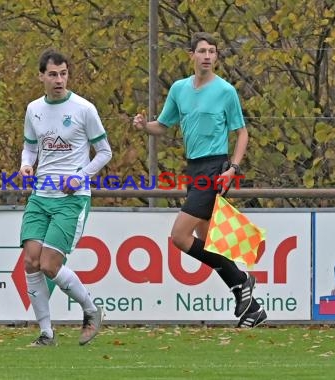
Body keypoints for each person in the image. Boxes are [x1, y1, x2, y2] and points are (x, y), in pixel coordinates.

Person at [132, 32, 267, 328]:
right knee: (208, 242)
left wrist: (233, 168)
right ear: (191, 55)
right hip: (193, 169)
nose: (207, 56)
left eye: (212, 52)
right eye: (202, 51)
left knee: (179, 237)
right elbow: (163, 126)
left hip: (214, 170)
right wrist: (144, 126)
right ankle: (250, 305)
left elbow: (242, 132)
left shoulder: (225, 91)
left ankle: (241, 280)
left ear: (216, 57)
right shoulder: (179, 89)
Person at [20, 48, 112, 346]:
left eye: (63, 74)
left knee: (49, 264)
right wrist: (26, 164)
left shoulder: (84, 109)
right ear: (41, 77)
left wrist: (80, 175)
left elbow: (105, 152)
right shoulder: (33, 108)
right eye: (52, 74)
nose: (59, 80)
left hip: (71, 198)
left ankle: (91, 310)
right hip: (40, 195)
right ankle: (46, 333)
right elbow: (30, 146)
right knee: (31, 261)